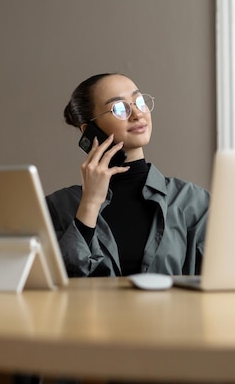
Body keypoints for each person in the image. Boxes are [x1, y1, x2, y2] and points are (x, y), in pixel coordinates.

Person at [46, 72, 210, 278]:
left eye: (139, 101)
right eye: (119, 108)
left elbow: (219, 279)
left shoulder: (193, 202)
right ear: (90, 130)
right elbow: (57, 285)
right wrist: (90, 204)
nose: (137, 114)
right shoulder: (58, 207)